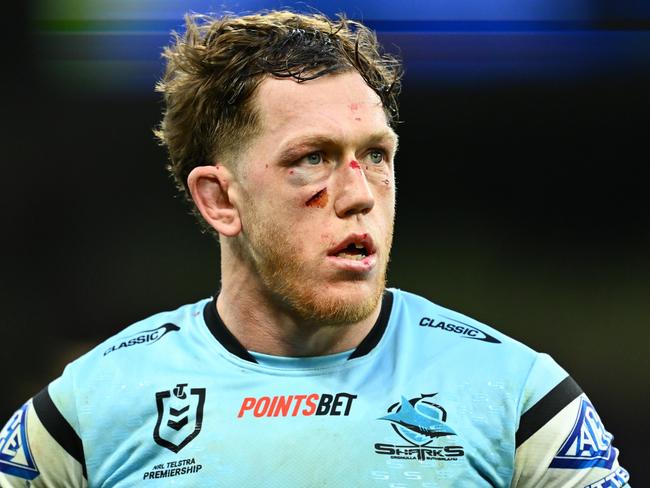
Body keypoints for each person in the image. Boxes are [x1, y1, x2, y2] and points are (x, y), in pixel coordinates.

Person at [0, 10, 630, 488]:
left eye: (376, 156)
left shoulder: (520, 398)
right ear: (220, 200)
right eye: (312, 158)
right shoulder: (90, 409)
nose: (358, 195)